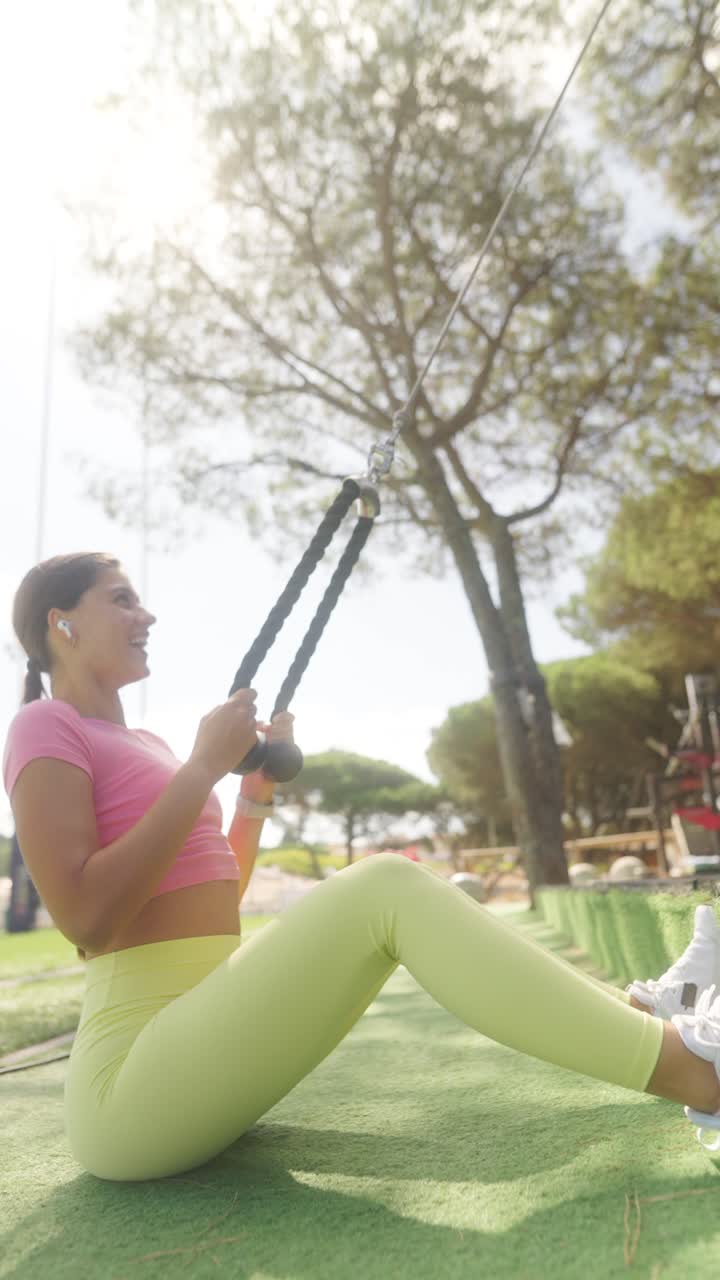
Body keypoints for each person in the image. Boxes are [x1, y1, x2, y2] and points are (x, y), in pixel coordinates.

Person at [4, 551, 720, 1184]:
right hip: (128, 1088)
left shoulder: (146, 739)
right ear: (61, 623)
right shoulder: (44, 725)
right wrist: (201, 768)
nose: (146, 612)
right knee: (385, 886)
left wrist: (250, 796)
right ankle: (698, 1074)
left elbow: (212, 887)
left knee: (384, 891)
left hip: (195, 1029)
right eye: (122, 599)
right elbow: (87, 920)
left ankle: (646, 1016)